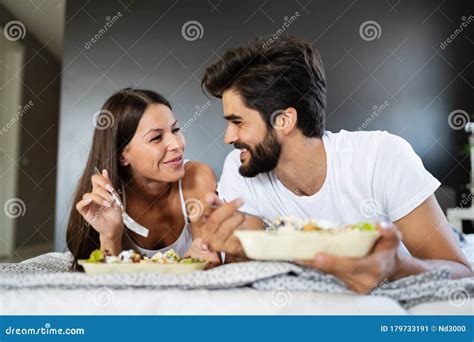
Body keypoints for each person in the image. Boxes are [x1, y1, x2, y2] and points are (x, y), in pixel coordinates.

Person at [198, 35, 473, 293]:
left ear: (284, 120)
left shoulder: (381, 156)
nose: (228, 137)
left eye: (237, 122)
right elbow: (248, 273)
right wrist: (227, 253)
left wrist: (399, 266)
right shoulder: (240, 167)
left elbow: (461, 272)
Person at [66, 88, 219, 270]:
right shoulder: (102, 200)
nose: (177, 144)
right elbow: (104, 285)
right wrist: (110, 236)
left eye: (175, 130)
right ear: (123, 155)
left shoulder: (196, 177)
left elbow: (208, 264)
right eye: (156, 138)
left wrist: (204, 256)